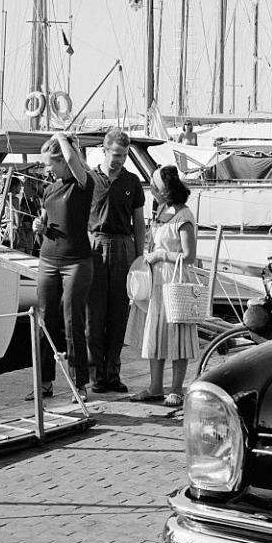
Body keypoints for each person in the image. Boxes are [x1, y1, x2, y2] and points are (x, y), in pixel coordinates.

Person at [127, 164, 199, 407]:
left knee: (177, 334)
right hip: (157, 279)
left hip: (174, 279)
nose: (152, 189)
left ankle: (176, 388)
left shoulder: (183, 216)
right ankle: (155, 386)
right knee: (155, 333)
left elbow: (189, 255)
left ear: (165, 189)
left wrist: (161, 256)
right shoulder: (162, 211)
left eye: (155, 185)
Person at [29, 132, 94, 401]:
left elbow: (70, 156)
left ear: (64, 161)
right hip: (48, 258)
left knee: (72, 320)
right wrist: (38, 227)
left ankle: (79, 385)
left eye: (51, 163)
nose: (47, 168)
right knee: (45, 319)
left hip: (76, 261)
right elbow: (44, 223)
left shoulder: (83, 183)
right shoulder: (50, 188)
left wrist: (59, 135)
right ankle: (44, 382)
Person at [87, 127, 145, 393]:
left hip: (124, 246)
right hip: (96, 244)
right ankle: (97, 375)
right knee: (94, 315)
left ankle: (113, 373)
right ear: (105, 150)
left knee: (119, 314)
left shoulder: (132, 182)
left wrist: (140, 257)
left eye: (123, 155)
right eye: (116, 154)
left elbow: (139, 222)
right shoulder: (89, 179)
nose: (119, 159)